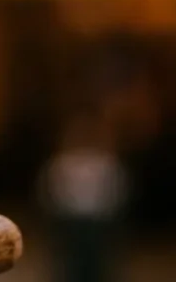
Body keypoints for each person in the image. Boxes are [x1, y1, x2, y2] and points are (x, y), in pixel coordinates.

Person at [40, 114, 127, 282]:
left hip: (98, 225)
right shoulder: (61, 164)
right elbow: (52, 194)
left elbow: (116, 193)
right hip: (70, 225)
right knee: (71, 264)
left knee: (97, 264)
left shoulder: (107, 164)